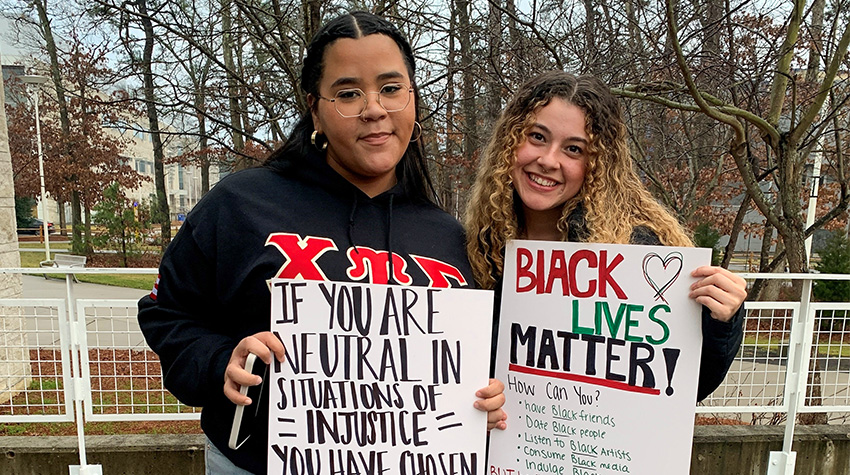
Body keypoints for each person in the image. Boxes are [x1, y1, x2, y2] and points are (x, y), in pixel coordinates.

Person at [138, 11, 505, 475]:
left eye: (391, 88)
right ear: (314, 107)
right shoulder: (240, 205)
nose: (374, 108)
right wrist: (218, 362)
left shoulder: (450, 237)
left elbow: (476, 364)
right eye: (349, 93)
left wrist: (486, 397)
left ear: (412, 99)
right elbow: (166, 312)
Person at [464, 71, 746, 401]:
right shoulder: (474, 249)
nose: (548, 160)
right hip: (501, 448)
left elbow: (680, 392)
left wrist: (723, 321)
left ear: (597, 164)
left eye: (573, 149)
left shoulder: (634, 252)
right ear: (511, 140)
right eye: (537, 137)